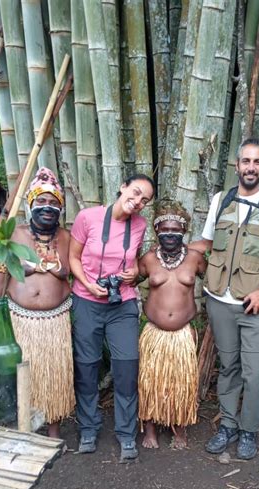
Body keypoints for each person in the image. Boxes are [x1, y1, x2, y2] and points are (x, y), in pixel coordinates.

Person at [192, 137, 259, 460]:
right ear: (236, 165)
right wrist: (171, 257)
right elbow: (206, 243)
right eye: (245, 161)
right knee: (229, 366)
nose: (250, 167)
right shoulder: (221, 200)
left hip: (254, 303)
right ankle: (228, 425)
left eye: (257, 162)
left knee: (255, 371)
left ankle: (249, 430)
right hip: (218, 300)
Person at [0, 167, 75, 438]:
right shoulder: (13, 235)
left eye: (54, 203)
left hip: (56, 321)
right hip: (20, 321)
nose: (48, 208)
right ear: (30, 204)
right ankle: (26, 430)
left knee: (54, 377)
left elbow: (75, 275)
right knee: (25, 377)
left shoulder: (67, 239)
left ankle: (54, 431)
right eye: (42, 201)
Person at [69, 174, 155, 457]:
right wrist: (88, 283)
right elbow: (73, 257)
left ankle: (127, 434)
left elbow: (137, 264)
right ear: (123, 187)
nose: (138, 201)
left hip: (122, 304)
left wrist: (134, 275)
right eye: (136, 192)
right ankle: (89, 430)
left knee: (126, 369)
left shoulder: (140, 225)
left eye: (145, 200)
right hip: (86, 300)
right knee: (87, 367)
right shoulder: (88, 217)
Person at [138, 200, 206, 449]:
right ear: (157, 231)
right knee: (151, 382)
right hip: (155, 334)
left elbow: (213, 281)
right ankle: (151, 430)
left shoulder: (196, 259)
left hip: (182, 335)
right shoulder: (147, 260)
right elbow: (129, 282)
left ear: (184, 231)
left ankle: (180, 430)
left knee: (181, 384)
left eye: (175, 230)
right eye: (164, 230)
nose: (170, 234)